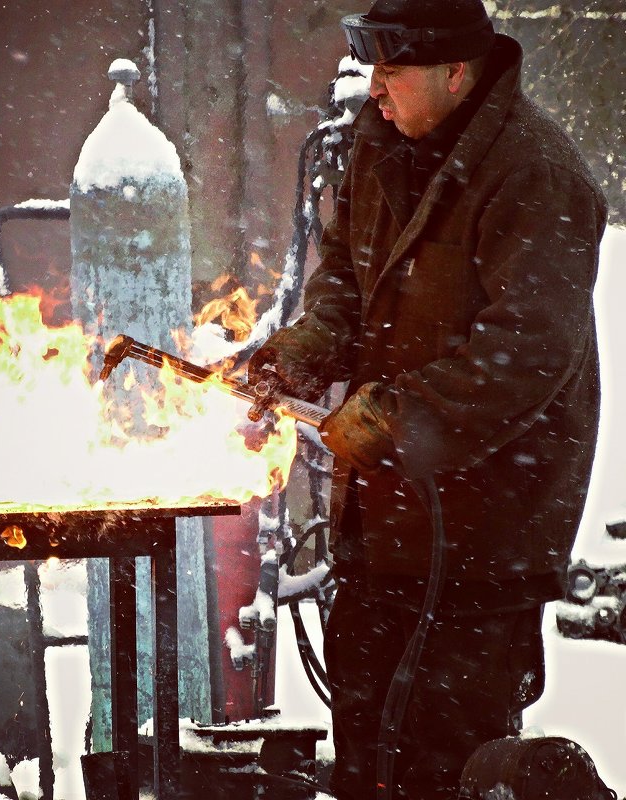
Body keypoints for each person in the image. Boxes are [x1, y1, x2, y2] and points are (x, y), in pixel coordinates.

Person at [248, 1, 608, 798]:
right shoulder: (381, 150)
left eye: (392, 72)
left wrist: (396, 418)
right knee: (367, 761)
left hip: (480, 545)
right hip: (380, 536)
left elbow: (527, 354)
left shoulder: (535, 173)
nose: (374, 89)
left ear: (457, 72)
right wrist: (302, 353)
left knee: (444, 766)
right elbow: (345, 279)